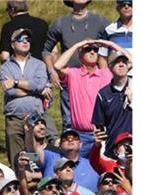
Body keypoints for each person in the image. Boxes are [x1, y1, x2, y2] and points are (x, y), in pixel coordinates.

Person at [53, 39, 131, 158]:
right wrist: (77, 44)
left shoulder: (106, 73)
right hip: (81, 136)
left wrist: (110, 45)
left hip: (102, 135)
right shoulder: (73, 74)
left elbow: (130, 61)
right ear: (80, 55)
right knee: (78, 170)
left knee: (102, 172)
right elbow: (57, 66)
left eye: (95, 50)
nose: (92, 52)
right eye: (88, 49)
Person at [42, 0, 109, 130]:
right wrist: (52, 71)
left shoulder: (100, 21)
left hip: (94, 79)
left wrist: (104, 71)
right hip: (70, 79)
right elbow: (46, 50)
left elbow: (109, 48)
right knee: (70, 123)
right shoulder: (60, 23)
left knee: (99, 121)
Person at [0, 28, 50, 166]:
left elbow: (39, 84)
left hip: (35, 118)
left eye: (28, 39)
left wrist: (16, 83)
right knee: (17, 157)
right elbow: (10, 92)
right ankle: (19, 181)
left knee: (34, 155)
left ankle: (33, 179)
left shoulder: (39, 64)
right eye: (21, 39)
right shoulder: (5, 67)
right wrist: (36, 92)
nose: (25, 42)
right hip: (14, 117)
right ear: (13, 44)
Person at [91, 51, 132, 159]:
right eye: (117, 62)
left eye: (124, 62)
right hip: (112, 152)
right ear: (110, 67)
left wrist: (133, 101)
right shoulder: (103, 94)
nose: (121, 64)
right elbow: (99, 126)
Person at [34, 128, 97, 193]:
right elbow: (32, 154)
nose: (70, 140)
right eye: (65, 139)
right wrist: (29, 132)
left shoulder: (92, 163)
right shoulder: (50, 157)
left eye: (75, 138)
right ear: (59, 145)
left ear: (81, 144)